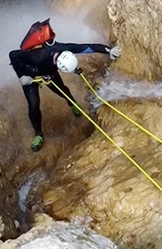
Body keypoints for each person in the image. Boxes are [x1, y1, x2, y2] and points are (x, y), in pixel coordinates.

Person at [8, 19, 121, 151]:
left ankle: (72, 104)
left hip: (49, 74)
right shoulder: (35, 57)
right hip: (30, 76)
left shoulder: (62, 48)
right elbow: (13, 55)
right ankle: (38, 134)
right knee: (33, 105)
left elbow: (86, 47)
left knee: (63, 91)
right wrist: (22, 76)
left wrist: (109, 50)